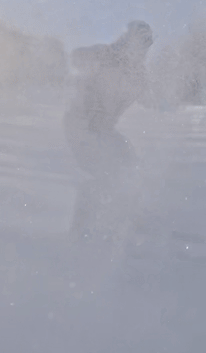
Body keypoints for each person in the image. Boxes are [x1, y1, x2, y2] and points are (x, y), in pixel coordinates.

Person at [64, 21, 153, 237]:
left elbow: (153, 98)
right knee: (105, 173)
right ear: (127, 40)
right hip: (81, 126)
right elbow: (75, 57)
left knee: (131, 165)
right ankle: (82, 229)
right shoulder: (105, 56)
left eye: (146, 45)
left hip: (104, 130)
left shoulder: (138, 74)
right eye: (137, 42)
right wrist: (107, 53)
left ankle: (125, 220)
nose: (141, 50)